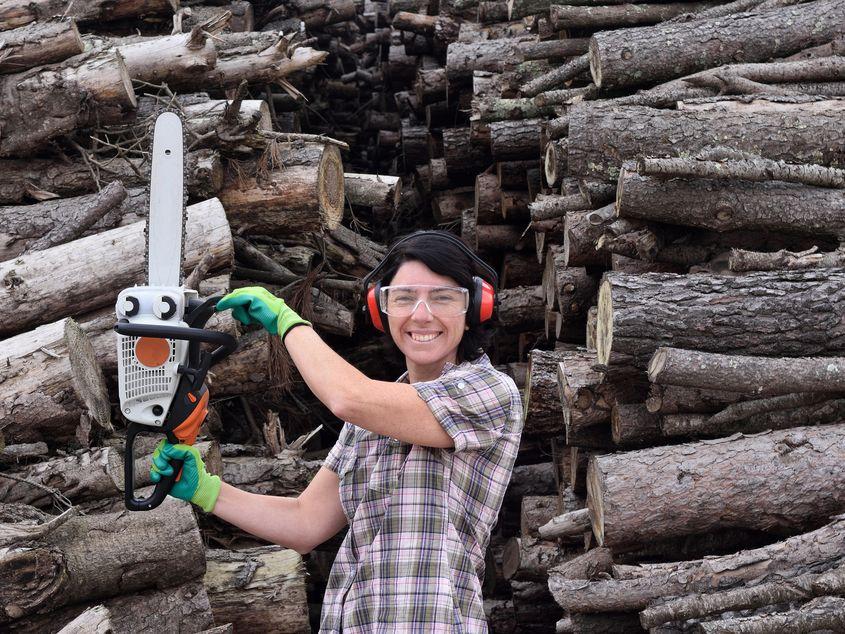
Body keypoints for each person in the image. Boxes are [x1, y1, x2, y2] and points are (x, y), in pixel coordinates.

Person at [149, 230, 525, 633]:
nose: (421, 314)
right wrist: (206, 490)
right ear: (382, 310)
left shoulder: (489, 392)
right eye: (403, 298)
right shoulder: (370, 419)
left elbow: (348, 398)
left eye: (443, 297)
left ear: (475, 309)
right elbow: (304, 523)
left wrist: (287, 322)